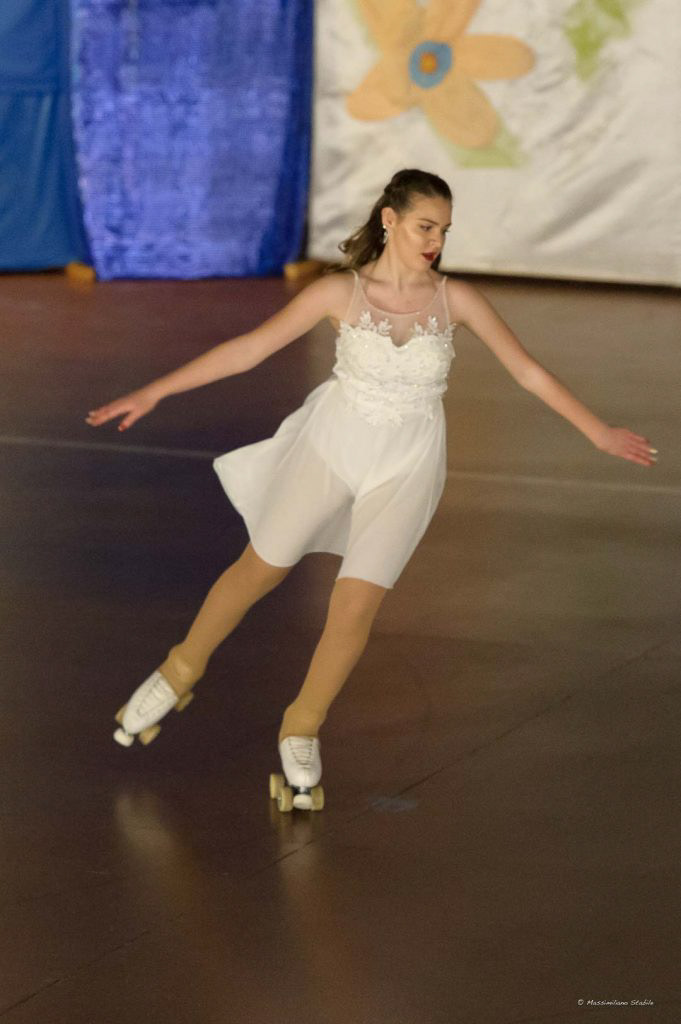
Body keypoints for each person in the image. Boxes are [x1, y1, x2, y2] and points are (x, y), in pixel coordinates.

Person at [85, 168, 657, 811]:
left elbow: (526, 371)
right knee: (260, 569)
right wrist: (155, 391)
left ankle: (302, 726)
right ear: (390, 219)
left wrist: (597, 431)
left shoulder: (457, 300)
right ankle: (179, 671)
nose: (436, 241)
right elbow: (250, 350)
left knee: (356, 604)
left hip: (408, 465)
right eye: (425, 226)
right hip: (331, 448)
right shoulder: (340, 292)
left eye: (444, 230)